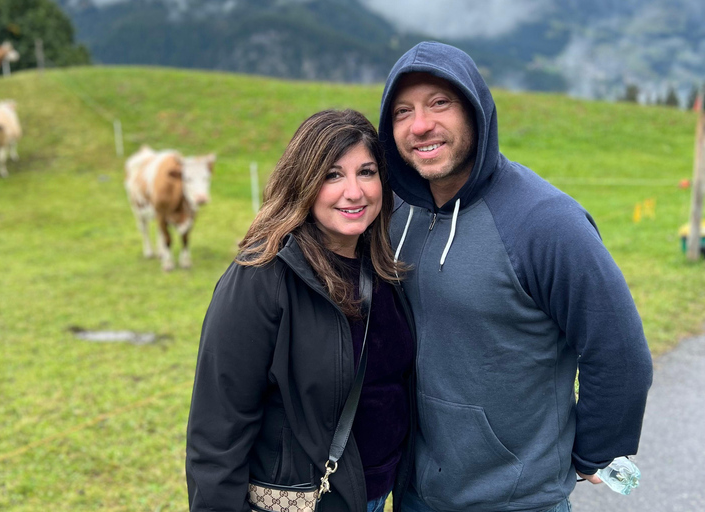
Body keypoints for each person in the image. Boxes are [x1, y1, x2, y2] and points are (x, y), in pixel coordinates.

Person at [377, 42, 654, 512]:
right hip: (413, 493)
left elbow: (619, 351)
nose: (420, 125)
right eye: (402, 111)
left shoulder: (546, 222)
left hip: (516, 499)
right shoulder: (394, 214)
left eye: (439, 103)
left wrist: (596, 453)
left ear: (476, 111)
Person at [186, 109, 416, 512]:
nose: (355, 191)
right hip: (306, 500)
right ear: (303, 182)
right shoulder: (262, 277)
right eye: (332, 175)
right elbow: (218, 427)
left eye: (366, 172)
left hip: (379, 494)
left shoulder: (381, 267)